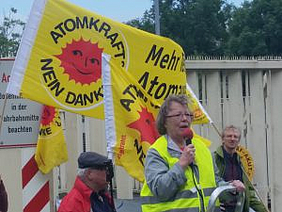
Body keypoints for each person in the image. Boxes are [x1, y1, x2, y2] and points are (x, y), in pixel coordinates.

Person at [140, 94, 245, 212]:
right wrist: (181, 165)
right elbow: (160, 191)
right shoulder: (157, 152)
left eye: (188, 114)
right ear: (165, 121)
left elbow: (214, 182)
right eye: (178, 115)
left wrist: (230, 186)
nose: (185, 118)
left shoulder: (202, 148)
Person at [213, 125, 268, 212]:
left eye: (235, 137)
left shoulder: (240, 162)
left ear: (238, 141)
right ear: (222, 139)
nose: (232, 139)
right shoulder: (214, 159)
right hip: (220, 208)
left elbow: (249, 192)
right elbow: (212, 183)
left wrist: (264, 210)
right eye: (229, 136)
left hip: (239, 207)